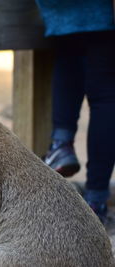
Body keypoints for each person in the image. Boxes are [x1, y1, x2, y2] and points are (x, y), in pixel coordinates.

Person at [35, 0, 115, 223]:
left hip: (59, 9)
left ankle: (61, 144)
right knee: (105, 95)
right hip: (100, 11)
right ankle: (96, 200)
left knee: (68, 57)